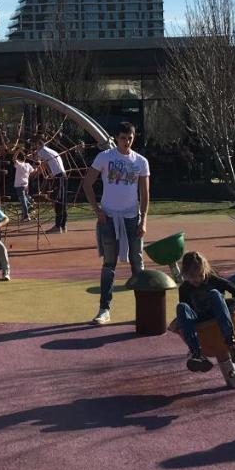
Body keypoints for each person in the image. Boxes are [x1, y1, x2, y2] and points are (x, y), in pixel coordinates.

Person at [82, 121, 150, 325]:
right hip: (109, 217)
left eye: (130, 138)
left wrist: (144, 219)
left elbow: (145, 192)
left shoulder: (141, 161)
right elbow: (87, 183)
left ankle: (144, 308)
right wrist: (97, 211)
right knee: (108, 264)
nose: (127, 142)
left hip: (132, 217)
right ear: (116, 138)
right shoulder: (105, 157)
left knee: (137, 263)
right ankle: (104, 309)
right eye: (123, 138)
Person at [168, 250, 235, 388]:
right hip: (200, 321)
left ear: (204, 270)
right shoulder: (185, 288)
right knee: (181, 306)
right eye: (191, 277)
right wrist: (180, 324)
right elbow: (186, 313)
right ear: (185, 275)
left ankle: (231, 343)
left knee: (214, 293)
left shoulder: (213, 279)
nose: (196, 280)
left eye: (199, 276)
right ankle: (197, 353)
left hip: (217, 316)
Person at [32, 136, 68, 232]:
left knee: (58, 200)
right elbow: (52, 163)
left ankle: (58, 226)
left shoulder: (41, 151)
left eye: (35, 144)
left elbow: (38, 163)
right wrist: (51, 174)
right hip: (63, 176)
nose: (34, 147)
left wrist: (33, 174)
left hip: (59, 176)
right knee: (62, 201)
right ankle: (63, 225)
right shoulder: (50, 151)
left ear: (39, 144)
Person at [11, 150, 34, 221]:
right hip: (25, 185)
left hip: (19, 185)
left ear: (19, 158)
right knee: (24, 199)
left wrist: (17, 151)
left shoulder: (19, 164)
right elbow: (33, 171)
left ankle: (26, 215)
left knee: (23, 200)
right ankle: (25, 212)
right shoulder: (28, 165)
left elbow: (14, 159)